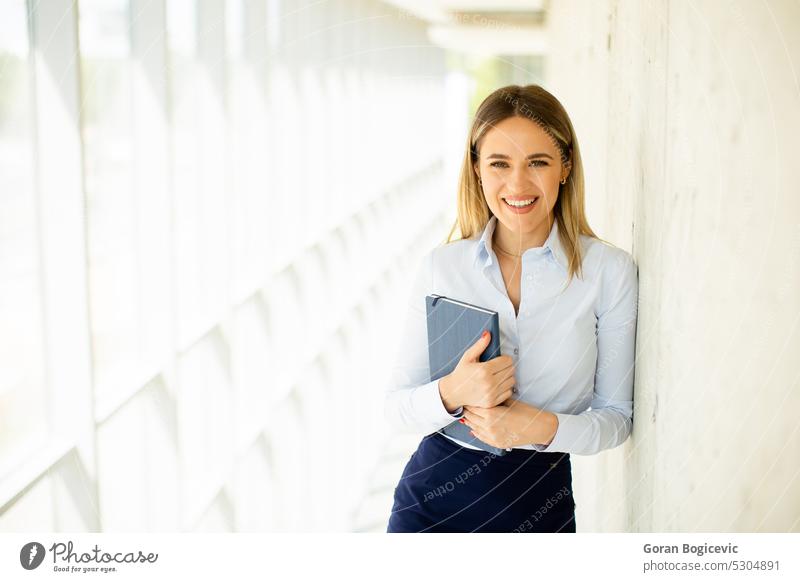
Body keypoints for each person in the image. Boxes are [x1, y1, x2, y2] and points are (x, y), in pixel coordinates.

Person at [384, 84, 639, 533]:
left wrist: (537, 427)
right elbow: (396, 408)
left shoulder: (608, 273)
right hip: (431, 502)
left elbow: (616, 419)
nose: (517, 184)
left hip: (538, 504)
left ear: (565, 166)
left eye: (537, 162)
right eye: (499, 164)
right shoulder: (442, 267)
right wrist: (452, 392)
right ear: (477, 171)